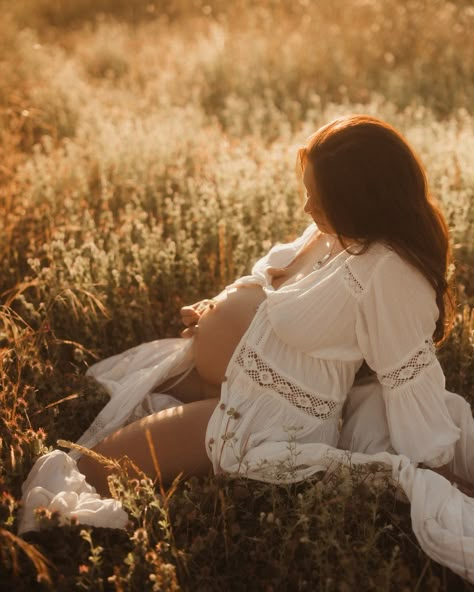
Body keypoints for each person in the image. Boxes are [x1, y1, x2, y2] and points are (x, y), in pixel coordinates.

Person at [19, 115, 474, 582]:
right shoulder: (345, 231)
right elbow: (282, 285)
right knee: (110, 391)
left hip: (262, 416)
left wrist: (430, 467)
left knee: (89, 472)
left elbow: (406, 379)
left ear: (361, 198)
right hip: (240, 381)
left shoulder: (391, 274)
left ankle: (45, 560)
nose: (306, 207)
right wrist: (219, 308)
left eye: (319, 197)